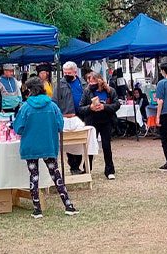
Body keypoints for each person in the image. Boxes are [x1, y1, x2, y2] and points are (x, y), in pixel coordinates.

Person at [12, 77, 78, 218]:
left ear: (29, 91)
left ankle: (37, 209)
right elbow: (60, 126)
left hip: (30, 146)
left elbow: (18, 128)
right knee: (55, 174)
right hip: (48, 144)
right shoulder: (52, 106)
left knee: (34, 176)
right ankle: (68, 205)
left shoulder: (25, 108)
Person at [78, 72, 120, 180]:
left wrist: (104, 107)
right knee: (90, 146)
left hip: (106, 122)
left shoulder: (110, 91)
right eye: (89, 81)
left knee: (106, 146)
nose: (91, 83)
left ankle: (110, 171)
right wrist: (90, 108)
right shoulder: (87, 92)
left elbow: (116, 105)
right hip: (92, 122)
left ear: (100, 80)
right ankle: (87, 169)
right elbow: (80, 108)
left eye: (93, 80)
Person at [53, 61, 86, 174]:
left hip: (82, 115)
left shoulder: (82, 83)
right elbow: (55, 102)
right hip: (68, 116)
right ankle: (74, 167)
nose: (66, 74)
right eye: (65, 72)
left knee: (81, 140)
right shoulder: (59, 84)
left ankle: (82, 165)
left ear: (75, 72)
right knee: (71, 142)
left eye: (69, 72)